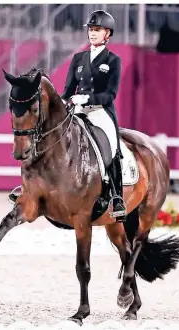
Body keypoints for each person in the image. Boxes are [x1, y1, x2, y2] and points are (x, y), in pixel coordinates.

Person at [61, 10, 126, 222]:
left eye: (97, 30)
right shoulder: (78, 58)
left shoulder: (113, 60)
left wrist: (87, 99)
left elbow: (111, 94)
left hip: (100, 111)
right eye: (91, 29)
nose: (92, 33)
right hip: (78, 109)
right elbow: (69, 87)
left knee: (112, 145)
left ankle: (117, 196)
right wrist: (64, 101)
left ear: (108, 33)